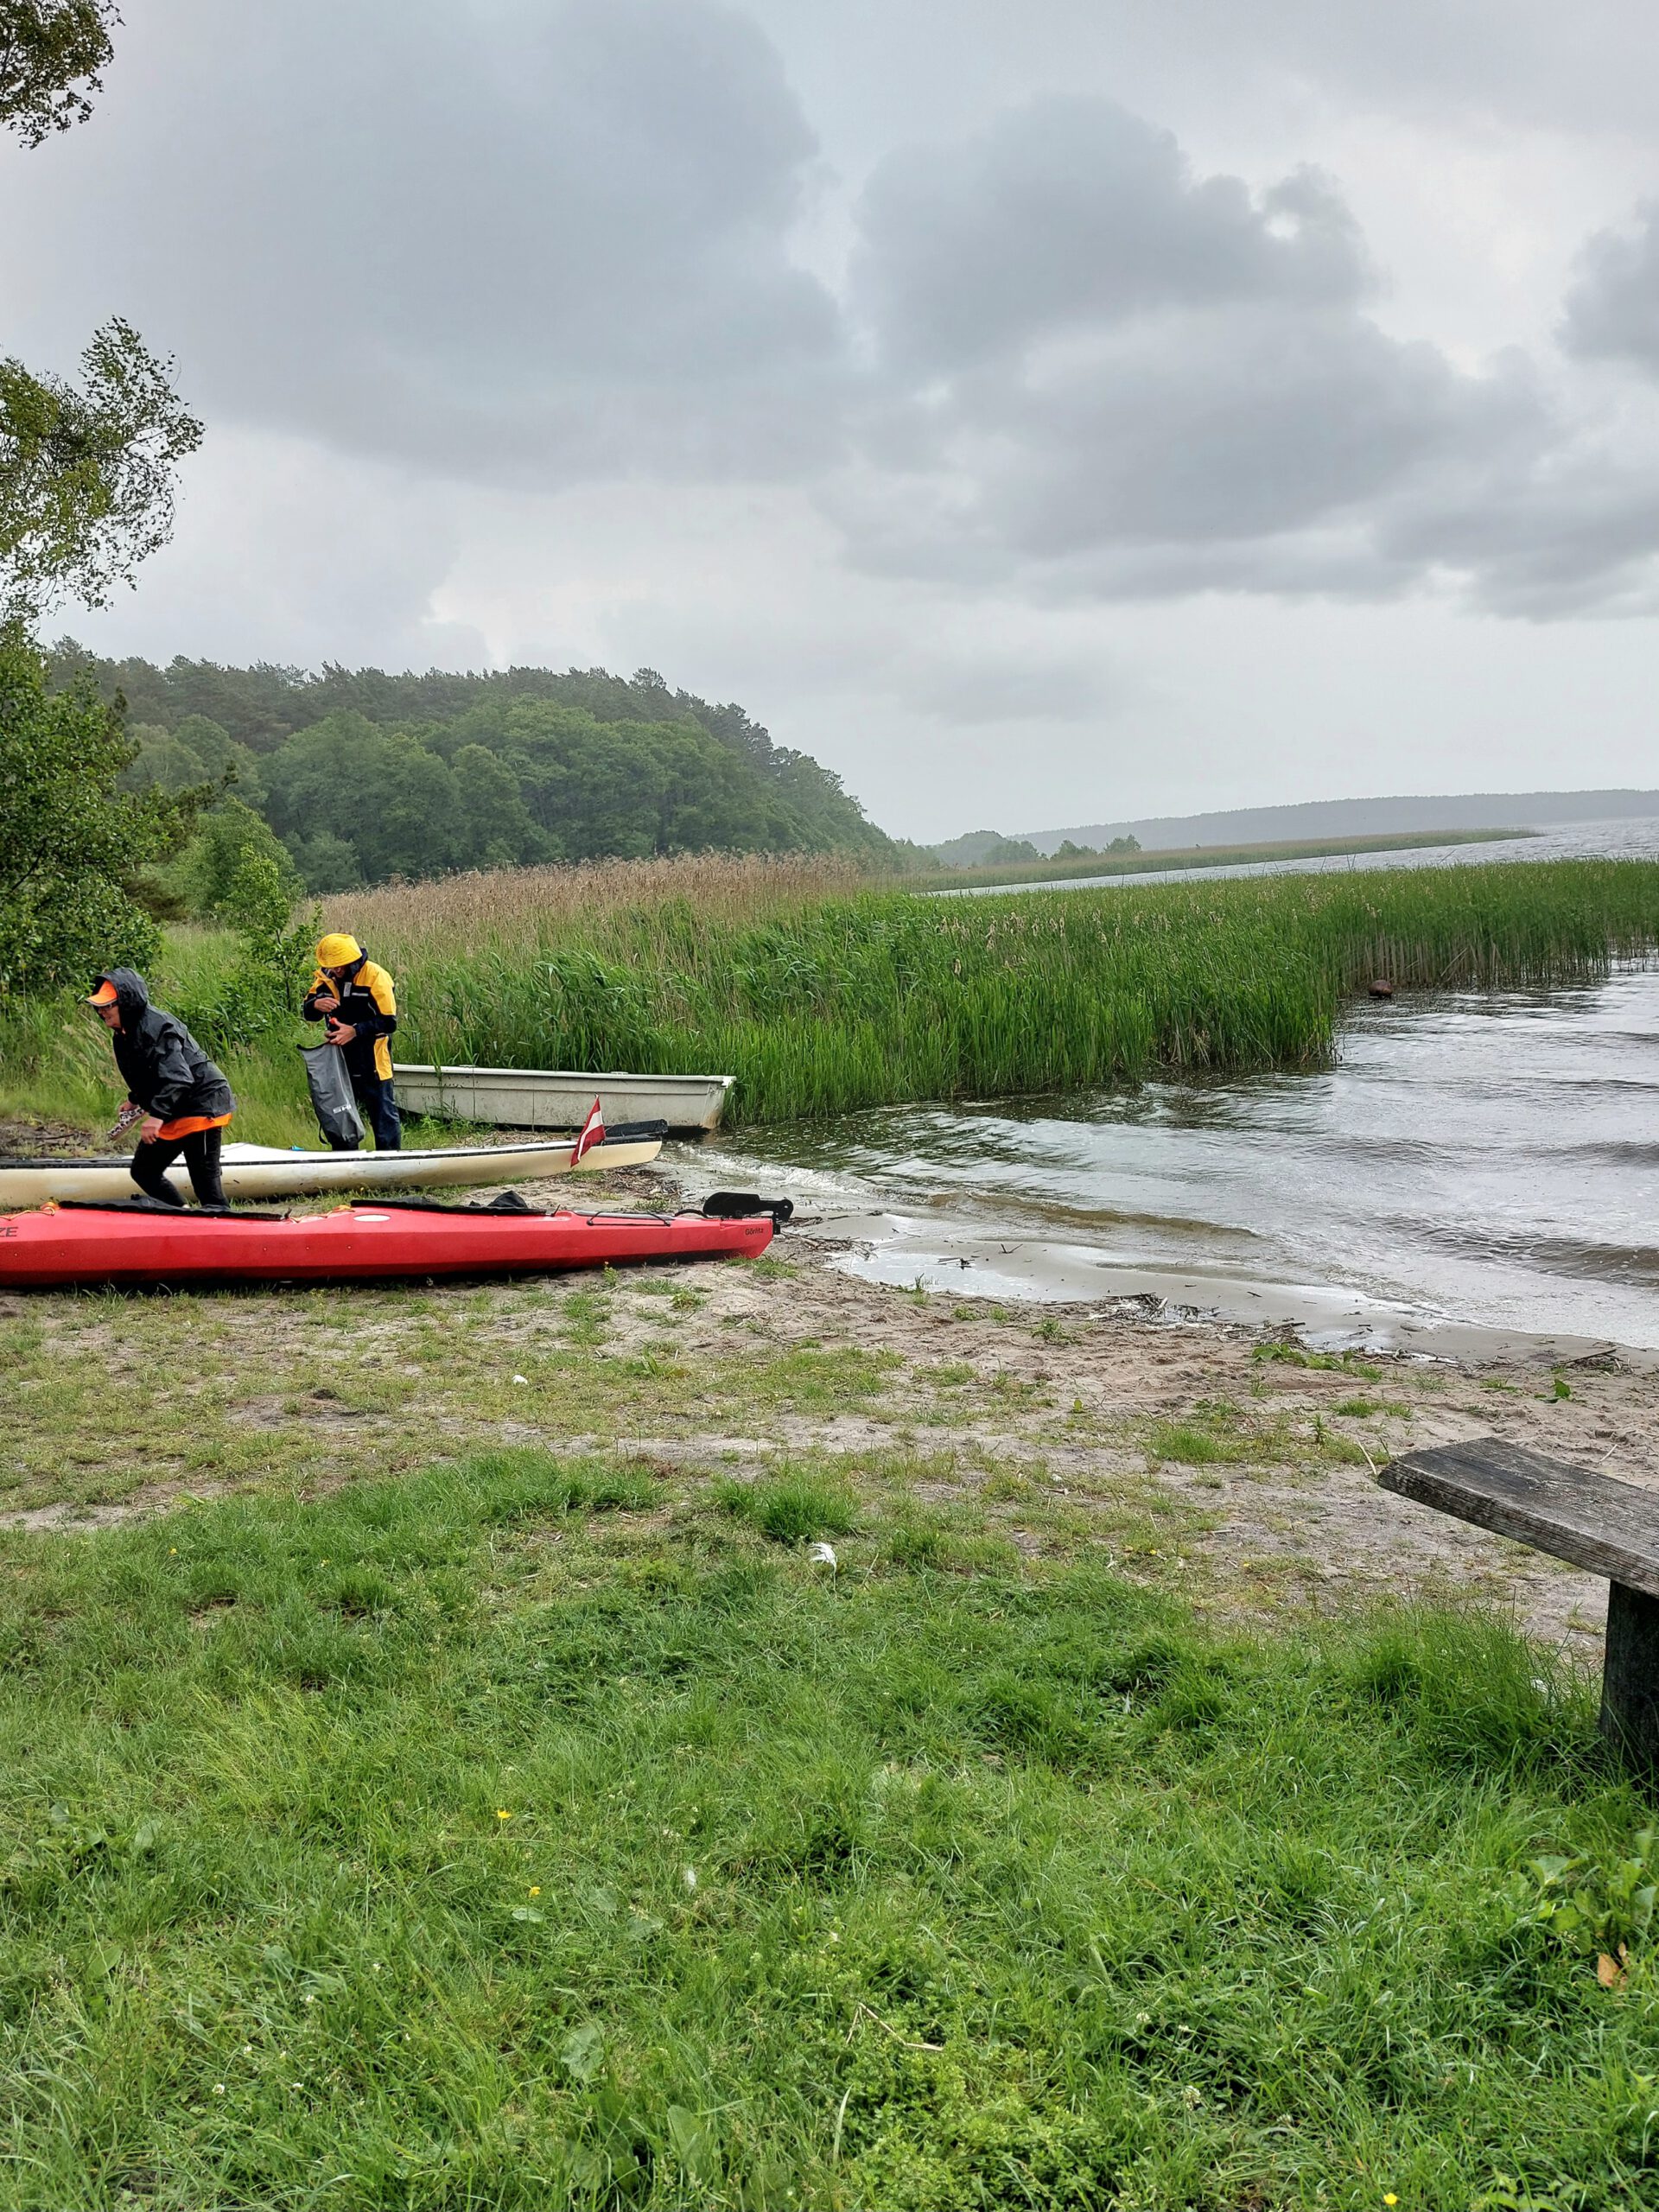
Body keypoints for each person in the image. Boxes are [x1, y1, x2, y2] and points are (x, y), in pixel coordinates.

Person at [86, 969, 235, 1208]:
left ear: (127, 1003)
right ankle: (180, 1215)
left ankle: (224, 1223)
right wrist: (135, 1099)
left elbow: (179, 1078)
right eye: (99, 1006)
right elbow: (146, 1072)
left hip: (201, 1103)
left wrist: (156, 1117)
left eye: (108, 1005)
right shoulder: (123, 1033)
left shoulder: (157, 1027)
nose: (102, 1011)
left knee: (205, 1185)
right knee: (143, 1171)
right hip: (174, 1106)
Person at [302, 932, 402, 1150]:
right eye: (332, 965)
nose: (336, 970)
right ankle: (346, 1161)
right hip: (340, 1059)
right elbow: (308, 1012)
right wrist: (315, 1005)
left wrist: (354, 1031)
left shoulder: (375, 976)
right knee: (341, 1113)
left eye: (340, 965)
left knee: (383, 1115)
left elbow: (389, 1022)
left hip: (373, 1058)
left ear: (352, 960)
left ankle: (390, 1162)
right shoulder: (325, 977)